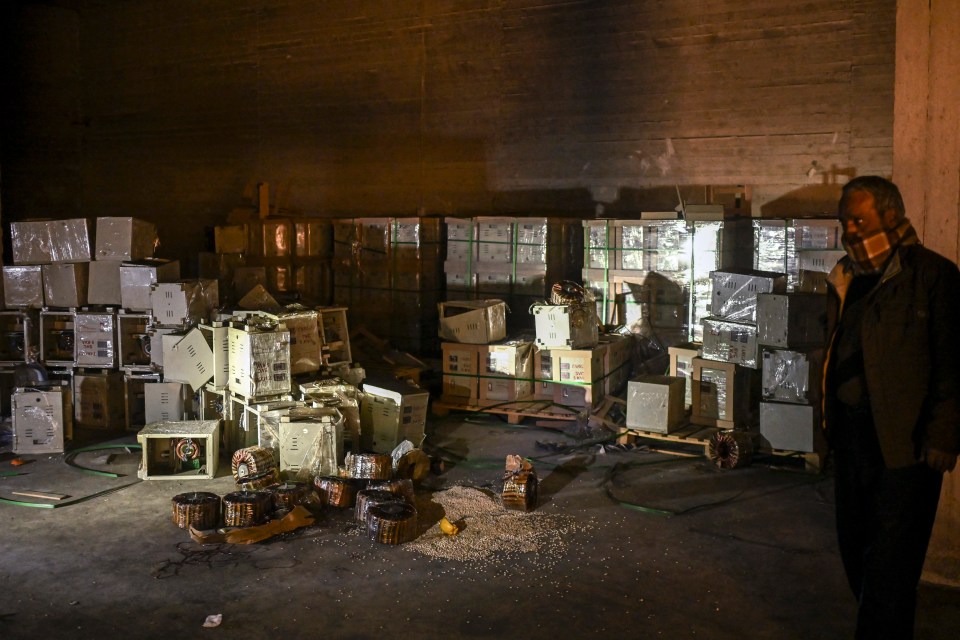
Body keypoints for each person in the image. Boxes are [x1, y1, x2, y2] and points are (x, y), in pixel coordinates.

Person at [823, 175, 960, 639]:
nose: (851, 230)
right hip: (853, 442)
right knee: (855, 549)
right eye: (845, 221)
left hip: (905, 449)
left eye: (859, 218)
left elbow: (953, 363)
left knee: (890, 568)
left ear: (892, 215)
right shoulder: (845, 276)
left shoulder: (933, 276)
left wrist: (943, 435)